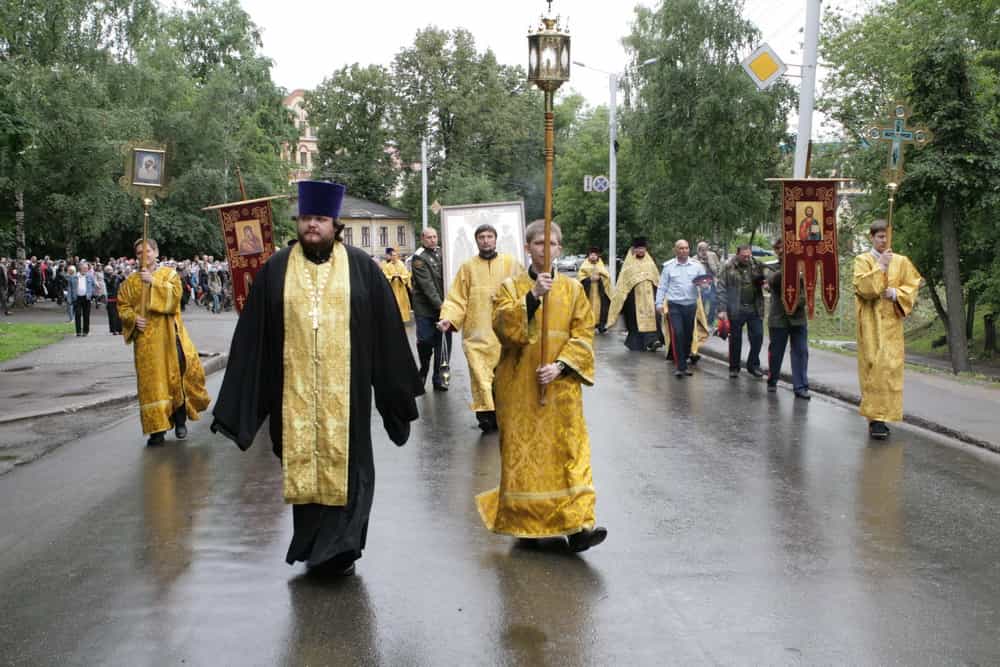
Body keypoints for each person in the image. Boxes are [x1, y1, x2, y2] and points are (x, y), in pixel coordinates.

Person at [212, 180, 419, 576]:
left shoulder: (361, 267)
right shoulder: (276, 269)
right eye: (307, 218)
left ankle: (342, 548)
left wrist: (394, 392)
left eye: (320, 219)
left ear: (335, 224)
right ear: (299, 222)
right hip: (295, 396)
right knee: (305, 470)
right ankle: (312, 545)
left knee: (351, 469)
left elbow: (386, 333)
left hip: (349, 397)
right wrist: (240, 405)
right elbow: (255, 336)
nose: (312, 226)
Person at [476, 219, 607, 552]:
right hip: (520, 388)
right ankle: (525, 523)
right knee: (525, 457)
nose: (545, 250)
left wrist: (561, 366)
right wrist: (533, 297)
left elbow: (584, 334)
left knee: (569, 454)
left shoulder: (575, 290)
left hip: (561, 389)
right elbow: (504, 329)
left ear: (560, 249)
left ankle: (579, 527)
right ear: (527, 247)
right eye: (539, 244)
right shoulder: (510, 287)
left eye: (552, 244)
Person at [118, 238, 210, 446]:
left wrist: (153, 282)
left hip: (170, 337)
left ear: (156, 252)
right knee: (151, 385)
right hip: (145, 343)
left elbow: (175, 298)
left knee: (174, 376)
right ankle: (156, 430)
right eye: (140, 252)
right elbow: (123, 306)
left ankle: (179, 421)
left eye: (148, 251)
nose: (144, 255)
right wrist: (133, 319)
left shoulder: (169, 275)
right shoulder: (130, 282)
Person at [437, 223, 524, 432]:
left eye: (489, 236)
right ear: (476, 240)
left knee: (504, 375)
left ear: (496, 239)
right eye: (481, 237)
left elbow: (524, 291)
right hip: (476, 333)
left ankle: (505, 414)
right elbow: (457, 297)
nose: (486, 240)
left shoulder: (511, 264)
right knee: (480, 376)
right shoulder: (467, 267)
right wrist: (448, 318)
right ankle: (486, 417)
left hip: (504, 332)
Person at [853, 219, 922, 440]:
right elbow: (863, 289)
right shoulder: (863, 260)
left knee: (889, 370)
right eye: (880, 237)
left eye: (886, 236)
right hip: (871, 323)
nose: (884, 240)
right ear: (871, 238)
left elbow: (912, 284)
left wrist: (896, 294)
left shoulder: (901, 261)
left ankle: (885, 415)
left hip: (892, 325)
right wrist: (880, 266)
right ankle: (875, 419)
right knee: (873, 368)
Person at [766, 238, 810, 399]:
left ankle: (800, 387)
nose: (781, 251)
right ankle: (772, 380)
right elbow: (773, 282)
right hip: (779, 318)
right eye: (779, 249)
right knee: (776, 352)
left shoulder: (802, 267)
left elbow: (808, 291)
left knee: (801, 352)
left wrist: (797, 303)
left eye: (785, 248)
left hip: (798, 317)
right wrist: (787, 267)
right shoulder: (773, 268)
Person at [410, 227, 452, 392]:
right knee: (426, 341)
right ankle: (424, 368)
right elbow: (427, 286)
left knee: (444, 345)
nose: (432, 240)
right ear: (422, 239)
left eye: (435, 237)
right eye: (429, 237)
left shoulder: (443, 253)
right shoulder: (419, 258)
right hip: (426, 309)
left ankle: (440, 379)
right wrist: (441, 306)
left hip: (445, 307)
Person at [605, 237, 664, 351]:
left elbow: (657, 279)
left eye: (643, 248)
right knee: (635, 321)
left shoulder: (650, 262)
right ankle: (638, 343)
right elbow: (623, 283)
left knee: (655, 318)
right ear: (634, 250)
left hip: (650, 296)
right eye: (639, 249)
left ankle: (653, 341)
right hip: (633, 299)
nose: (641, 251)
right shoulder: (629, 264)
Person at [655, 239, 704, 378]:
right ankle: (680, 366)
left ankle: (685, 360)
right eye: (681, 248)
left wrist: (705, 286)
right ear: (676, 250)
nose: (684, 251)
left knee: (688, 336)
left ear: (689, 250)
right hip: (675, 305)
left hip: (690, 305)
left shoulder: (697, 266)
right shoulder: (669, 267)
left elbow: (705, 283)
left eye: (686, 248)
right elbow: (662, 286)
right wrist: (658, 303)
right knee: (678, 333)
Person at [717, 245, 766, 378]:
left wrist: (764, 282)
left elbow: (766, 280)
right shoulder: (728, 266)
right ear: (738, 254)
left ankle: (753, 365)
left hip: (754, 307)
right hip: (736, 308)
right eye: (744, 256)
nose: (746, 258)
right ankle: (734, 367)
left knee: (758, 336)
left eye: (748, 255)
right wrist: (722, 309)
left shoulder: (756, 265)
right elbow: (721, 287)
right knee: (735, 339)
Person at [577, 247, 612, 334]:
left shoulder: (601, 265)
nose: (593, 256)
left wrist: (600, 278)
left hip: (599, 291)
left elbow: (607, 277)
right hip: (588, 291)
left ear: (598, 256)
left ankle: (601, 325)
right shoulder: (584, 266)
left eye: (595, 255)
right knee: (588, 307)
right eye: (591, 255)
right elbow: (580, 278)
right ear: (588, 256)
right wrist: (589, 279)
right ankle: (588, 325)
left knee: (602, 308)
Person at [381, 247, 413, 323]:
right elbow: (384, 275)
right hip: (392, 289)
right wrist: (392, 277)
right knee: (393, 304)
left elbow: (406, 274)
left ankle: (403, 318)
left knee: (402, 304)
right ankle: (393, 319)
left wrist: (400, 277)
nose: (394, 257)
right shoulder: (387, 266)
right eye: (393, 255)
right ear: (390, 256)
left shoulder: (401, 264)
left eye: (396, 255)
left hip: (401, 288)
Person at [695, 241, 721, 326]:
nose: (704, 251)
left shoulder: (712, 255)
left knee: (713, 302)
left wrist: (708, 263)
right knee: (702, 302)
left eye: (705, 249)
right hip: (700, 284)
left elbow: (718, 269)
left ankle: (710, 322)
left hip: (712, 282)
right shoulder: (694, 259)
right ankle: (702, 322)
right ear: (698, 250)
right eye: (702, 250)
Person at [71, 260, 96, 336]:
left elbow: (93, 285)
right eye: (84, 268)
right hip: (77, 297)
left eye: (87, 268)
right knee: (77, 314)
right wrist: (70, 297)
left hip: (86, 297)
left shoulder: (90, 276)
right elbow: (71, 287)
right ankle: (78, 332)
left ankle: (86, 331)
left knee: (86, 315)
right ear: (80, 268)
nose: (86, 270)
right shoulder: (75, 276)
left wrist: (91, 294)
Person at [104, 265, 123, 335]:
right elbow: (110, 284)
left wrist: (121, 273)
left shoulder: (117, 277)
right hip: (110, 297)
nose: (110, 271)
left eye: (111, 270)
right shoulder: (106, 278)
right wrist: (114, 276)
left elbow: (123, 279)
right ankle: (114, 329)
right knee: (112, 315)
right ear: (106, 271)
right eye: (108, 270)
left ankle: (120, 329)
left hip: (118, 297)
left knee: (119, 314)